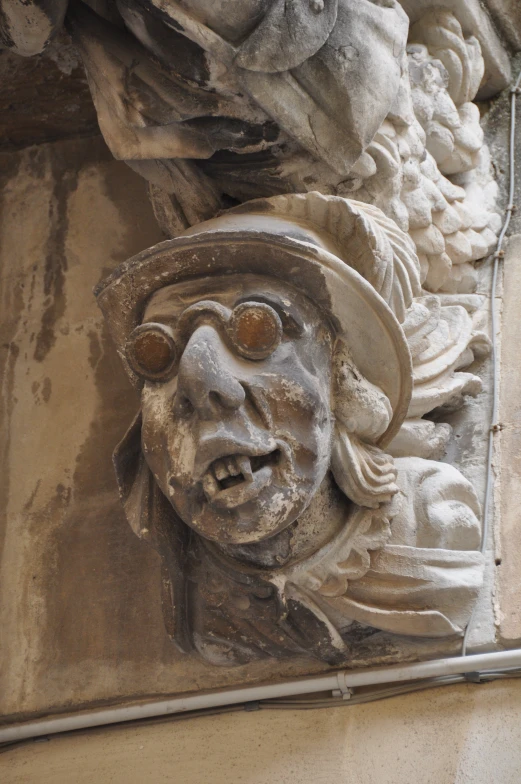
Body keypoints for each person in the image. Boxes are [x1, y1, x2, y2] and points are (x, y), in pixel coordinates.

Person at [96, 192, 484, 665]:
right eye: (155, 356)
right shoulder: (199, 606)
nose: (201, 384)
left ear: (341, 382)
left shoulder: (432, 520)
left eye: (258, 331)